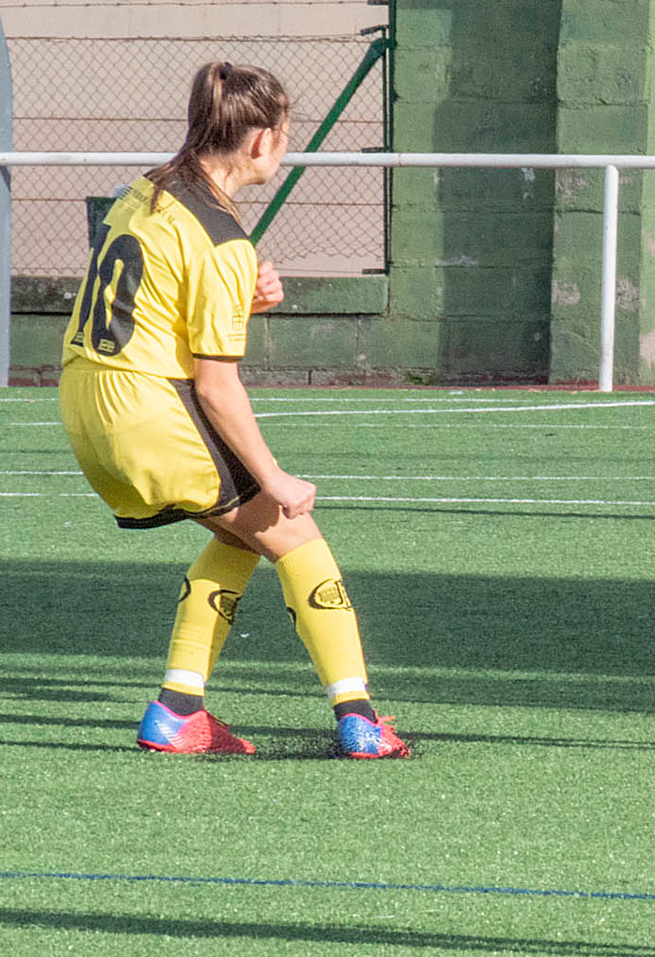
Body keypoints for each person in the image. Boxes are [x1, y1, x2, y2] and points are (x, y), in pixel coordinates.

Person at [58, 62, 410, 759]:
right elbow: (216, 386)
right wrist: (275, 477)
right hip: (149, 407)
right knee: (293, 529)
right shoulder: (223, 238)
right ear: (260, 143)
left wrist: (237, 296)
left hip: (85, 402)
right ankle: (360, 718)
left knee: (239, 534)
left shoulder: (148, 191)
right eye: (284, 134)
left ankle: (179, 708)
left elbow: (149, 299)